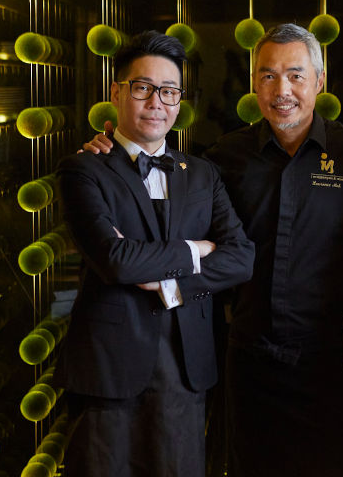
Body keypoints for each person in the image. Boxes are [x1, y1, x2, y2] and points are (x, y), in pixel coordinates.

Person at [83, 24, 343, 476]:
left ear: (319, 82)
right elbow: (158, 203)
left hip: (329, 366)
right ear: (254, 84)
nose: (282, 89)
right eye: (268, 76)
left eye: (296, 75)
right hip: (247, 362)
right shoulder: (225, 159)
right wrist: (110, 158)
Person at [54, 30, 254, 477]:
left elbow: (241, 257)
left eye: (169, 91)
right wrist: (195, 248)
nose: (156, 102)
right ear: (117, 92)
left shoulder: (203, 174)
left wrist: (171, 283)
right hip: (107, 369)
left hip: (185, 367)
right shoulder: (83, 169)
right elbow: (115, 259)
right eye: (143, 88)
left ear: (180, 100)